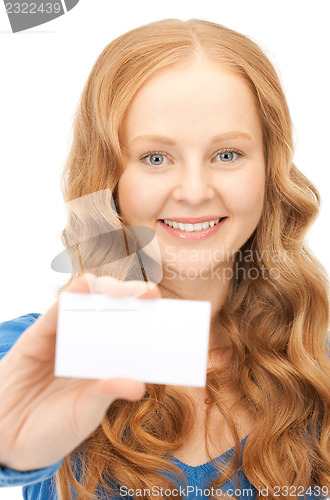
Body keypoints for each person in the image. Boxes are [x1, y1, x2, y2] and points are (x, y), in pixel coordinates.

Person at [0, 17, 329, 500]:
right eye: (156, 157)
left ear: (270, 168)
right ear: (108, 175)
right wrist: (10, 453)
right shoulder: (32, 356)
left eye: (227, 154)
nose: (194, 192)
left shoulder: (318, 363)